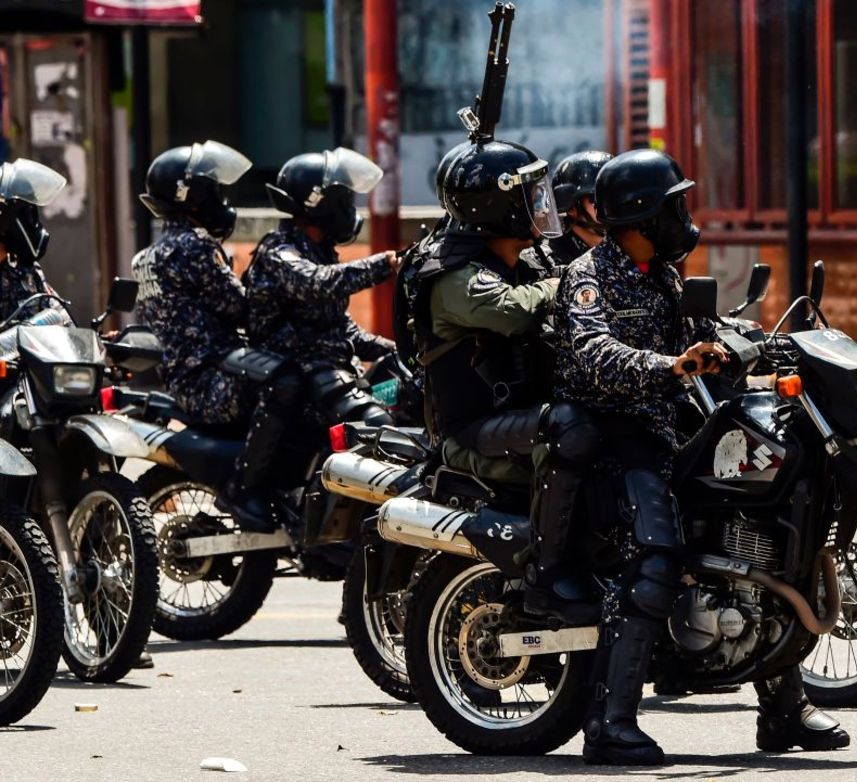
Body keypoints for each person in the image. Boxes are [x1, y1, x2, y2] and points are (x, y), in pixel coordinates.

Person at [553, 149, 849, 765]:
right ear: (639, 215)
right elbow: (590, 351)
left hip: (667, 426)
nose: (683, 216)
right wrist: (670, 365)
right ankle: (610, 724)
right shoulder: (588, 275)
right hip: (614, 437)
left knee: (760, 524)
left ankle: (783, 710)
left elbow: (707, 328)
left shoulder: (657, 272)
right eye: (673, 205)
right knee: (659, 555)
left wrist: (771, 348)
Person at [413, 138, 599, 624]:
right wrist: (572, 284)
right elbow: (513, 312)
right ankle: (547, 578)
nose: (541, 206)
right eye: (529, 197)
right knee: (568, 430)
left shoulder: (527, 261)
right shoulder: (455, 277)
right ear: (497, 208)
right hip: (475, 431)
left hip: (517, 415)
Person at [133, 140, 300, 532]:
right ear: (192, 198)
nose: (221, 202)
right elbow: (241, 307)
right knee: (292, 382)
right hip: (216, 380)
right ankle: (246, 485)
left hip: (185, 381)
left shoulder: (148, 256)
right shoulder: (194, 247)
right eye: (215, 192)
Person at [244, 148, 398, 426]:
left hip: (332, 377)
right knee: (376, 422)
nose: (350, 210)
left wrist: (398, 351)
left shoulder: (320, 251)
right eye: (344, 201)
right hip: (297, 384)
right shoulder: (279, 251)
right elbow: (317, 283)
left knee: (402, 394)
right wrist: (384, 264)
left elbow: (344, 331)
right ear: (321, 205)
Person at [0, 159, 67, 322]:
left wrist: (92, 341)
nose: (33, 225)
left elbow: (61, 319)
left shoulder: (26, 271)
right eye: (25, 214)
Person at [547, 150, 611, 265]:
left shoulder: (627, 246)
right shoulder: (550, 260)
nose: (609, 204)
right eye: (596, 198)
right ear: (572, 208)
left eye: (612, 195)